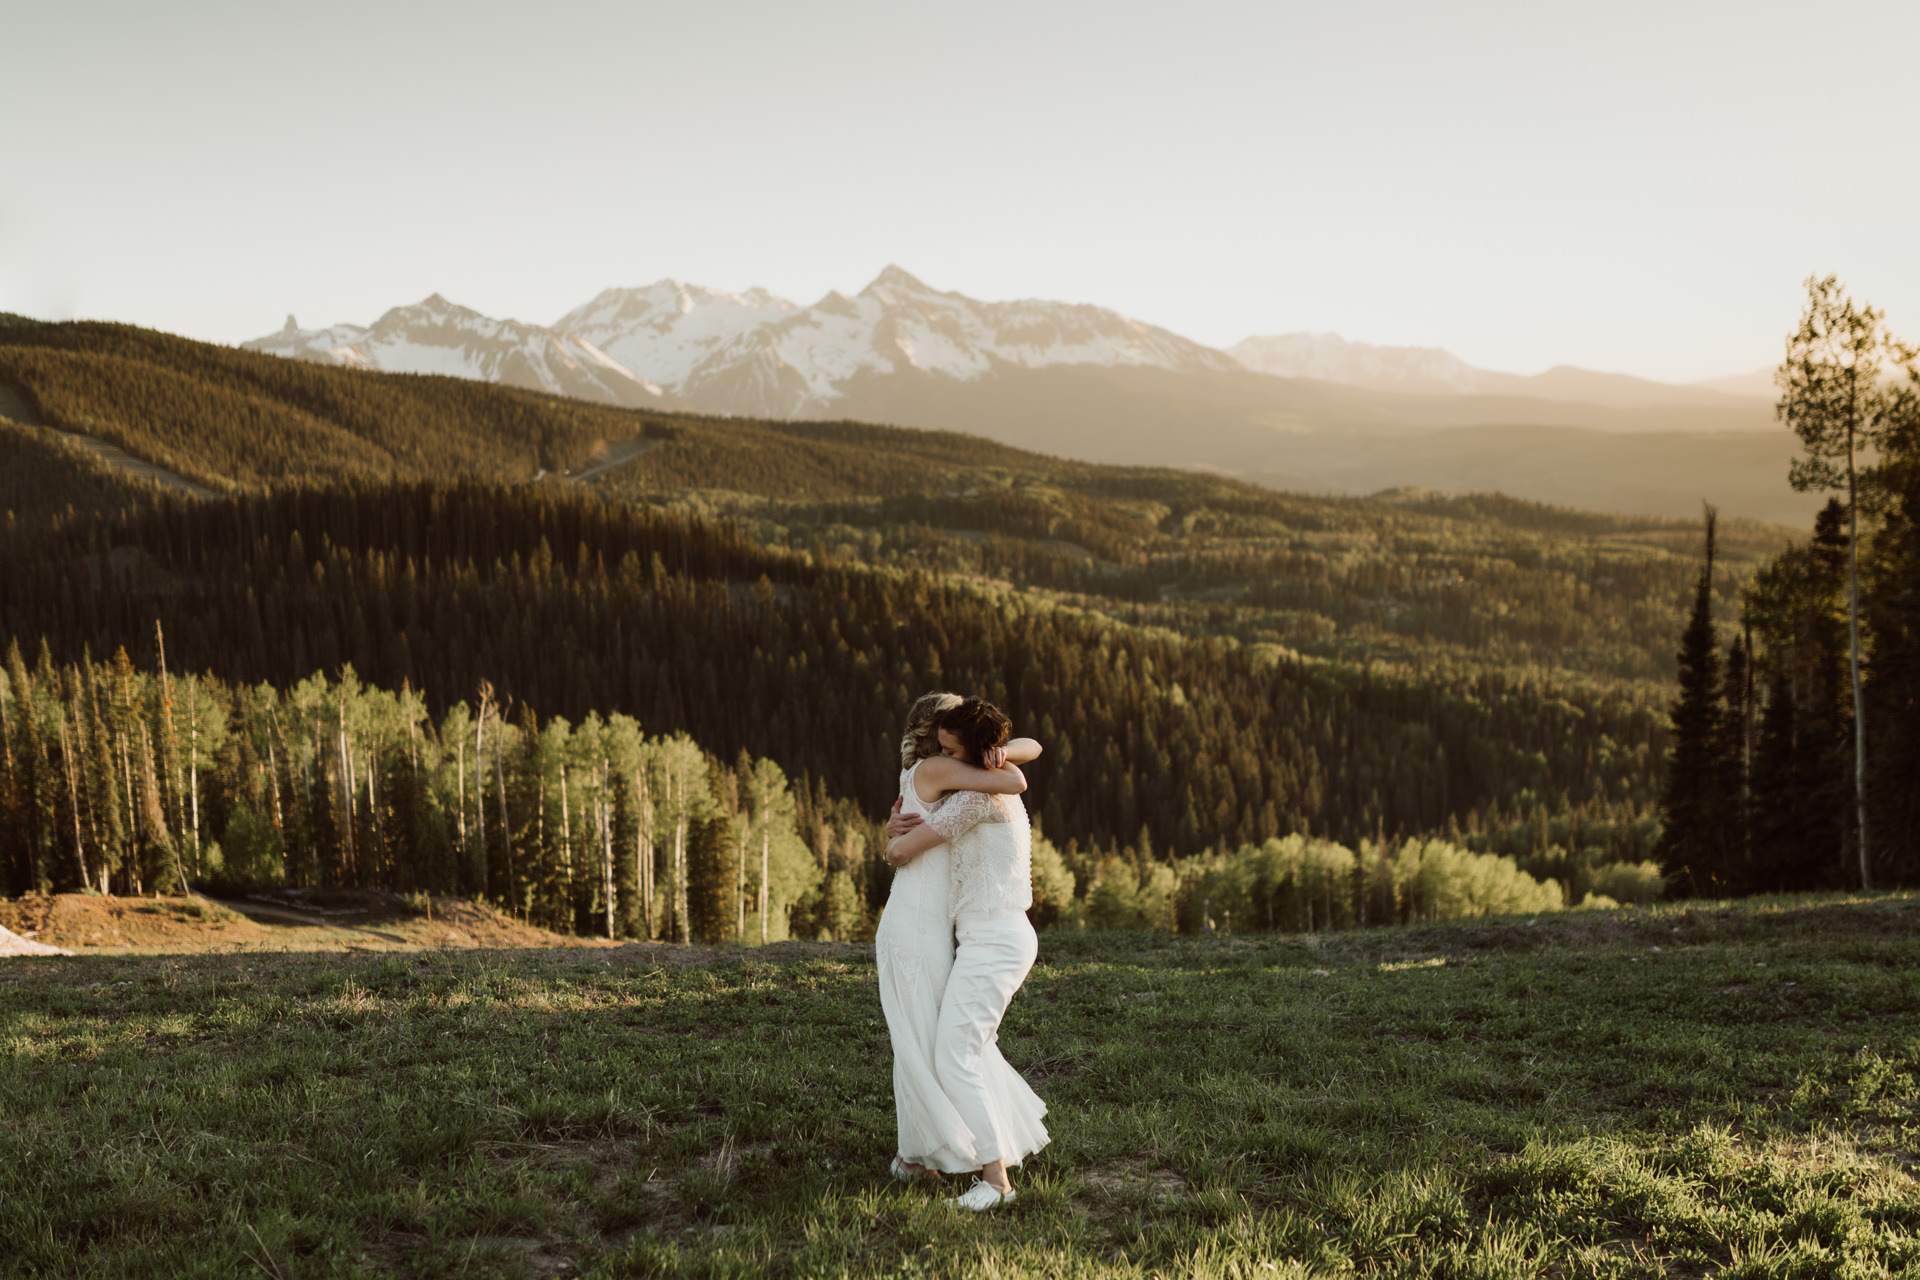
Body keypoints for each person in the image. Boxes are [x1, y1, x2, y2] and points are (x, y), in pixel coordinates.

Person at [886, 696, 1050, 1211]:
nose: (945, 746)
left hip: (996, 939)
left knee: (955, 1053)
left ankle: (996, 1182)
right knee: (961, 1049)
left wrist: (894, 841)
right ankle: (952, 1156)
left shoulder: (974, 798)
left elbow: (903, 851)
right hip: (985, 937)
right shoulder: (970, 784)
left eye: (954, 740)